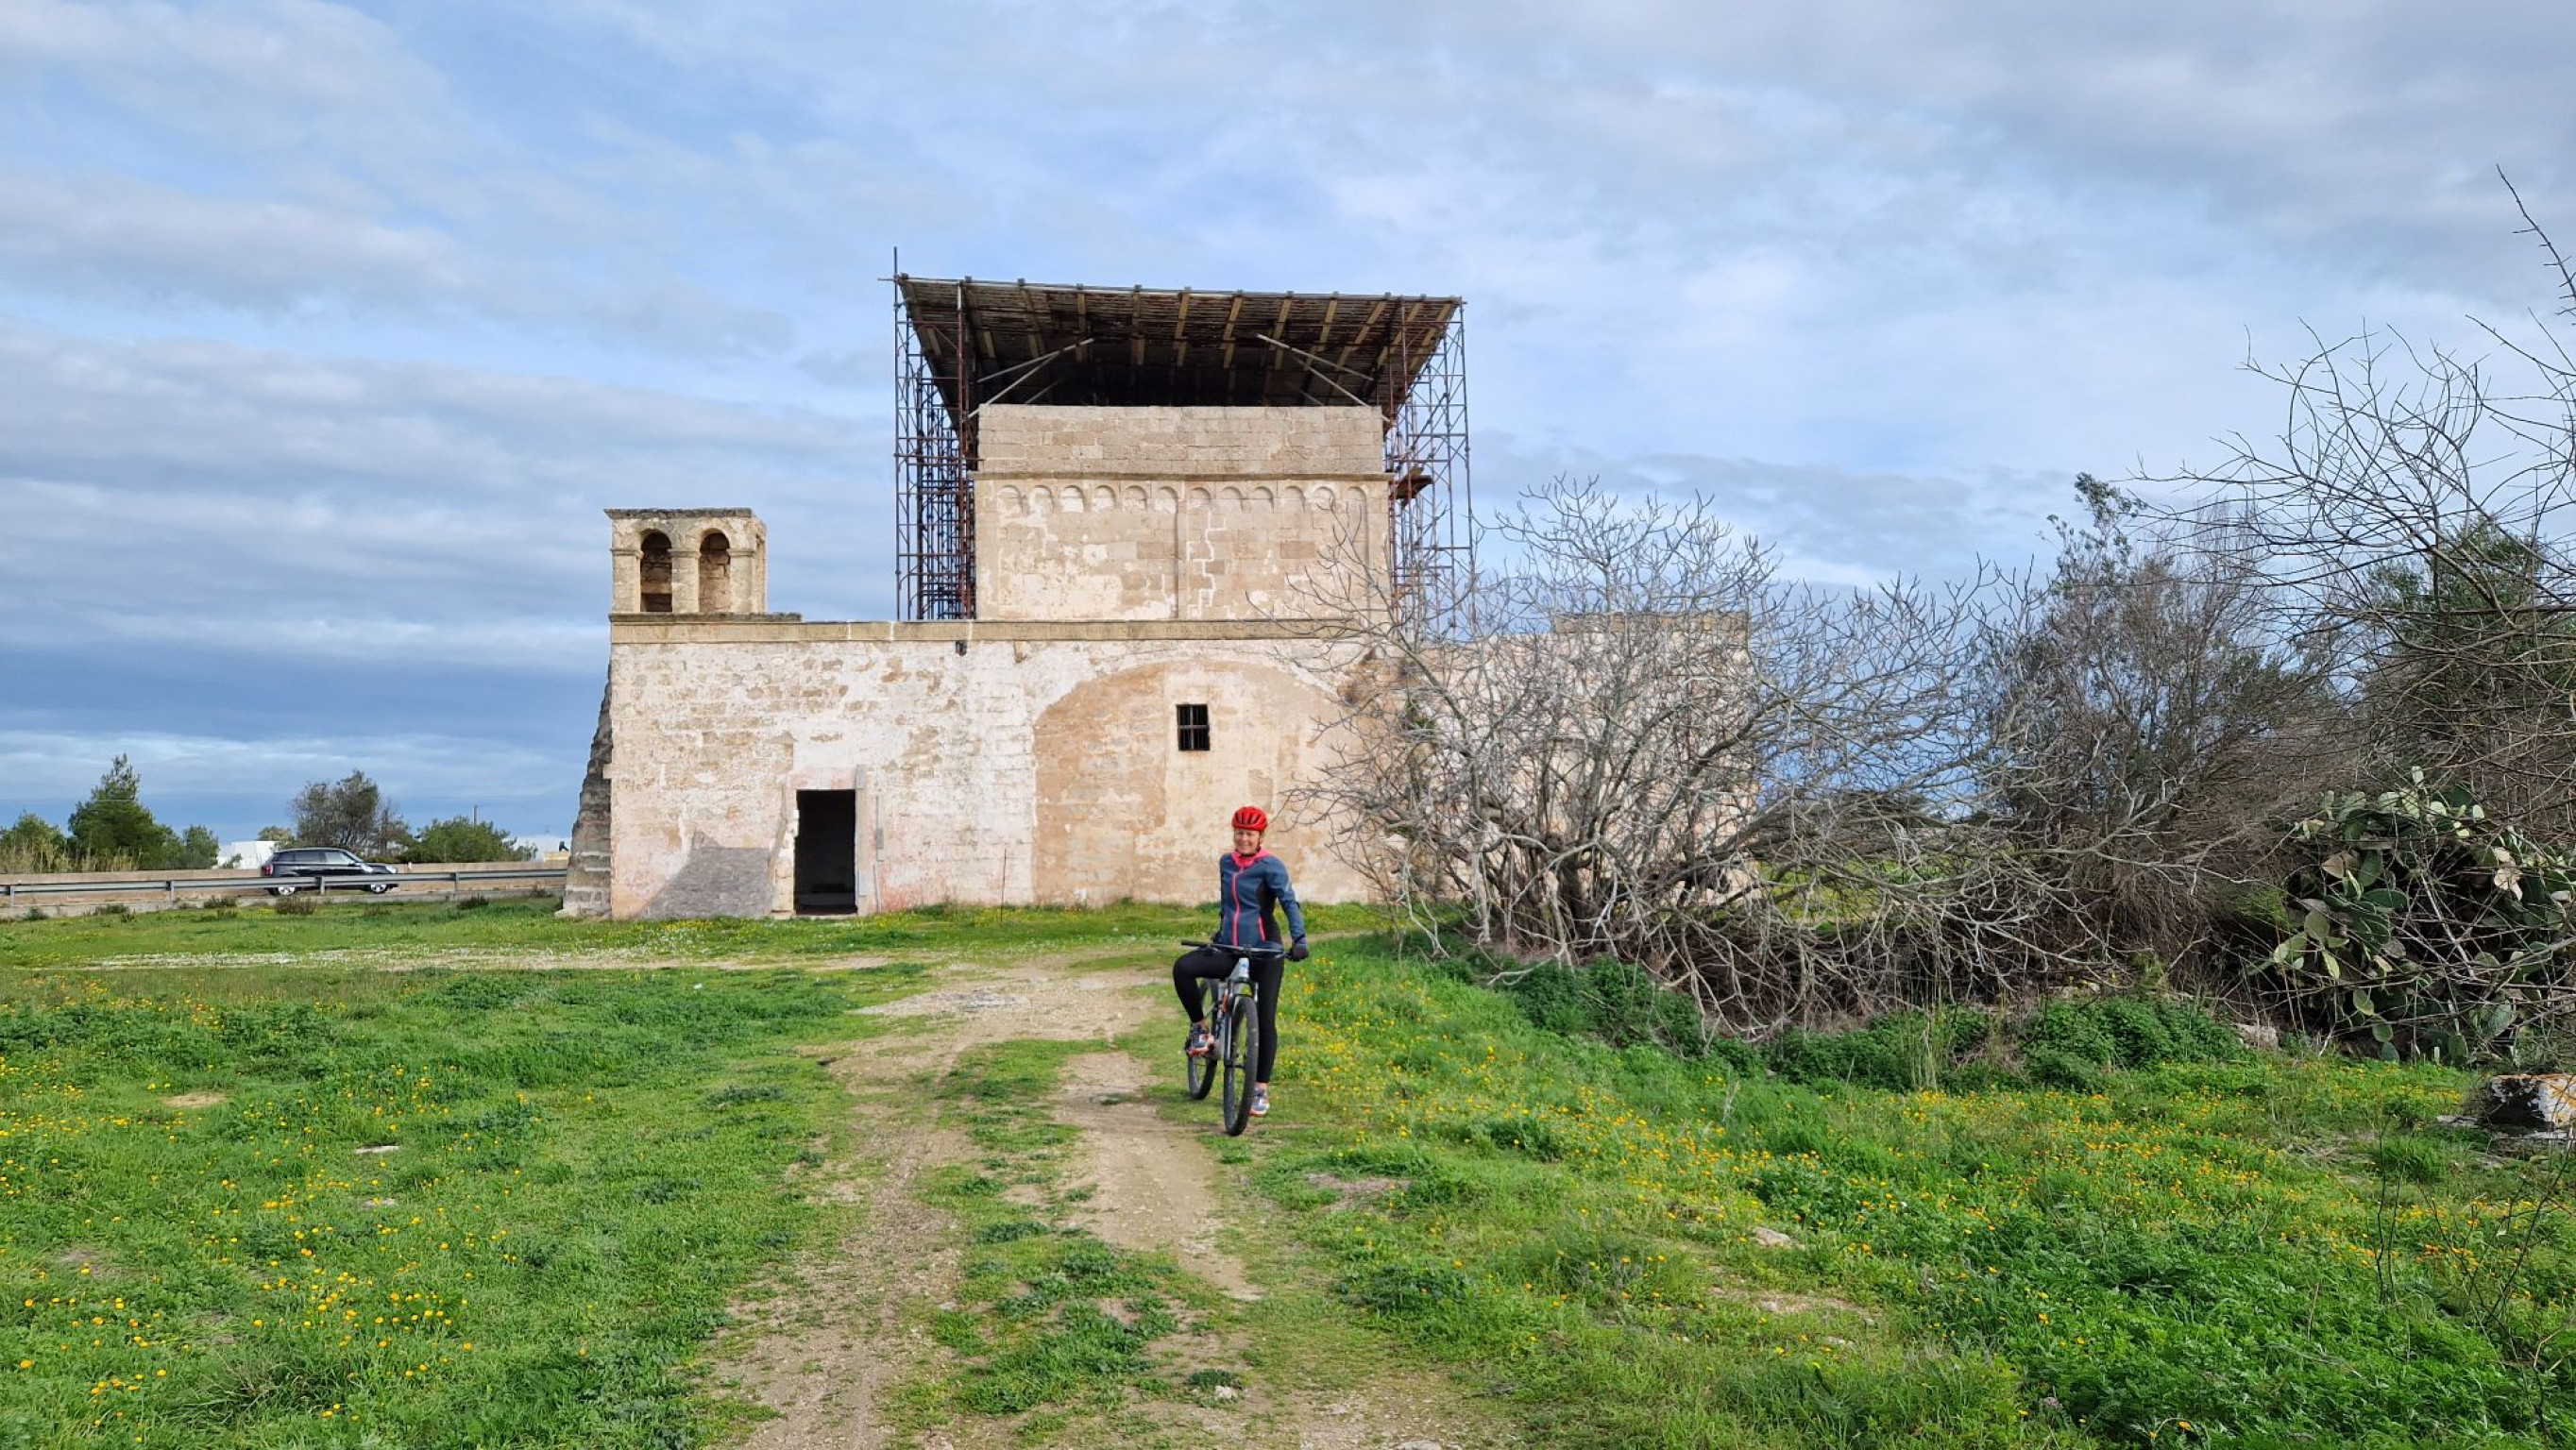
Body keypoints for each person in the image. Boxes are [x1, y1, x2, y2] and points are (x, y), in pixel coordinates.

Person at [1173, 804, 1308, 1119]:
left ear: (1260, 835)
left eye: (1249, 833)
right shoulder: (1226, 863)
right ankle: (1200, 1029)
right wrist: (1220, 931)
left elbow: (1289, 903)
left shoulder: (1272, 866)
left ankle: (1259, 1088)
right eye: (1239, 832)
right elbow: (1228, 903)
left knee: (1265, 1018)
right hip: (1229, 945)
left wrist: (1299, 940)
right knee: (1183, 967)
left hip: (1265, 950)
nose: (1243, 839)